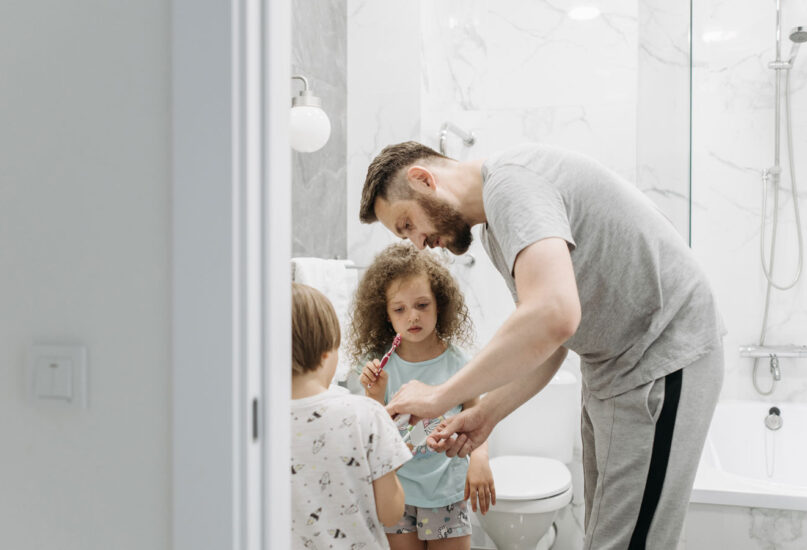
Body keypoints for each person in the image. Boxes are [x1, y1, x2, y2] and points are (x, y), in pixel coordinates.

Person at [357, 142, 726, 549]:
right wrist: (488, 415)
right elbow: (549, 339)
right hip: (616, 368)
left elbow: (554, 314)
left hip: (659, 355)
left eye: (408, 223)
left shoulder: (511, 186)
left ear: (424, 180)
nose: (417, 242)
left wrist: (441, 395)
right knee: (608, 532)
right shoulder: (498, 226)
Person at [347, 242, 495, 550]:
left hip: (447, 491)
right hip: (398, 491)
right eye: (399, 309)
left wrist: (479, 459)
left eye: (422, 305)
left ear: (439, 304)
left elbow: (476, 416)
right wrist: (374, 396)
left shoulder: (460, 365)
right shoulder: (377, 367)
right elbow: (376, 437)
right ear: (386, 315)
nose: (412, 316)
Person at [291, 282, 413, 549]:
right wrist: (389, 464)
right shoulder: (367, 414)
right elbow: (391, 513)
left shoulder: (252, 423)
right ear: (327, 354)